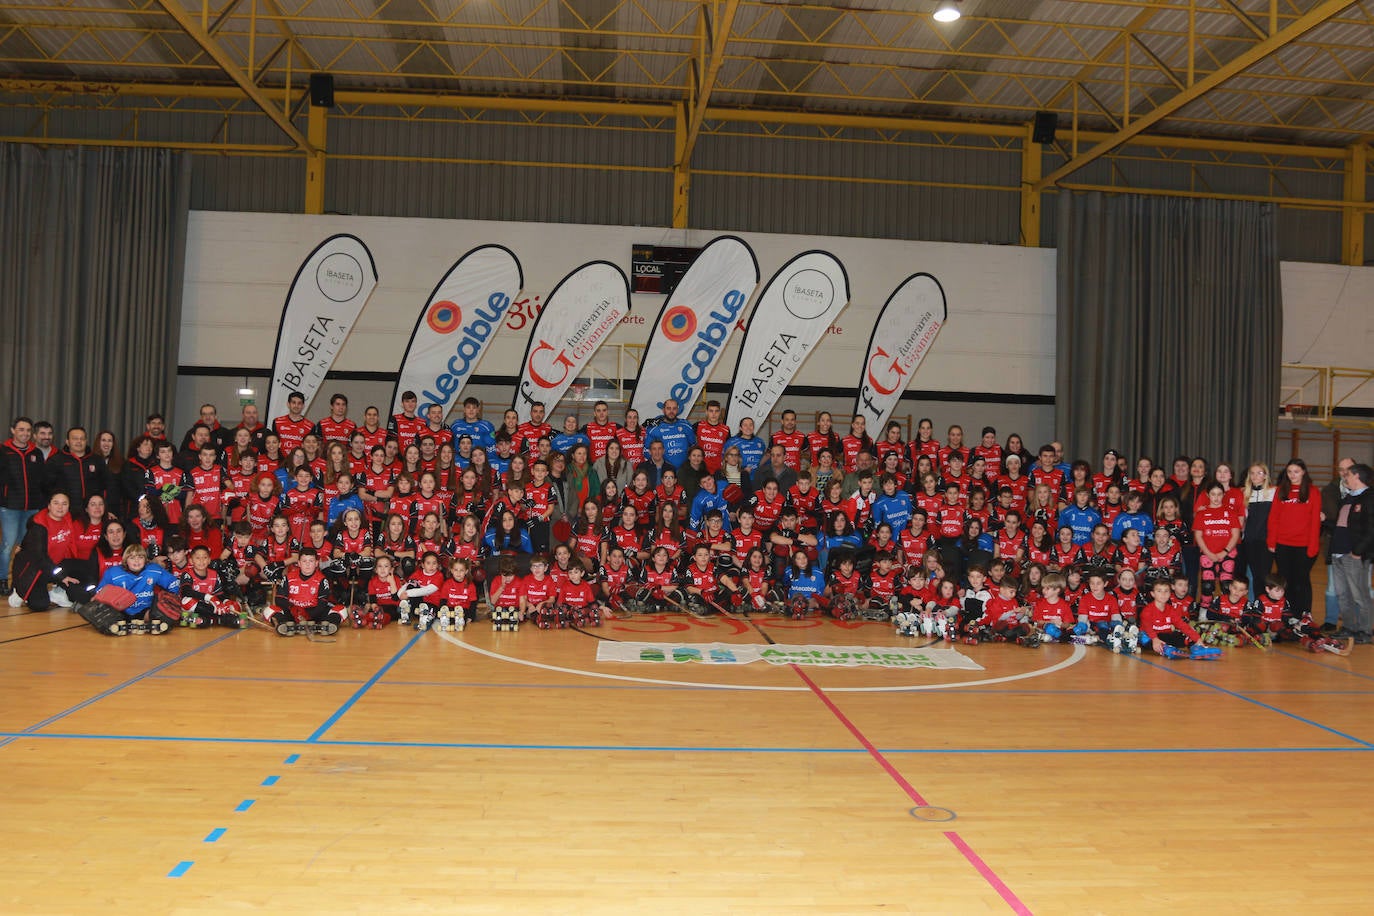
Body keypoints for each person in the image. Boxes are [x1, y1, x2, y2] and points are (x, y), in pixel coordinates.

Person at [1267, 458, 1323, 622]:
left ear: (1304, 472)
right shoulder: (1281, 490)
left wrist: (1313, 546)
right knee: (1286, 580)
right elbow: (1274, 518)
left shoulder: (1313, 491)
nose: (1292, 475)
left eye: (1296, 471)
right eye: (1289, 472)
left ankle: (1304, 614)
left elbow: (1315, 522)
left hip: (1304, 545)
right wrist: (1272, 541)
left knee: (1302, 580)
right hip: (1283, 544)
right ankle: (1288, 615)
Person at [9, 491, 84, 610]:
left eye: (64, 504)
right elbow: (40, 559)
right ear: (49, 506)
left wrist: (107, 515)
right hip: (35, 569)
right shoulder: (39, 527)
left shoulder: (68, 517)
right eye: (56, 503)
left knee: (83, 568)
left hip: (55, 565)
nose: (60, 507)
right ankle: (19, 591)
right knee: (40, 605)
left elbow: (88, 511)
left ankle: (56, 592)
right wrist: (62, 577)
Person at [1329, 463, 1374, 645]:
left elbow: (1371, 529)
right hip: (1338, 553)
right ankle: (1349, 627)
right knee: (1342, 594)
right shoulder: (1348, 497)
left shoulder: (1369, 498)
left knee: (1359, 594)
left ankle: (1365, 630)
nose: (1344, 477)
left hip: (1354, 555)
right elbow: (1342, 524)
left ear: (1357, 476)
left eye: (1347, 474)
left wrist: (1358, 552)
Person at [1, 417, 45, 594]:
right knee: (7, 545)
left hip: (31, 508)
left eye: (28, 430)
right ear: (13, 430)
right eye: (21, 430)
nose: (25, 433)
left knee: (25, 546)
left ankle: (19, 581)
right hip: (9, 507)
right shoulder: (3, 451)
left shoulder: (37, 453)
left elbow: (41, 481)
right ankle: (3, 579)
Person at [643, 398, 695, 467]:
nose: (671, 411)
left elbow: (694, 447)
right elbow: (646, 451)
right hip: (663, 471)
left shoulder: (686, 426)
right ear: (663, 410)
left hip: (683, 471)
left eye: (674, 408)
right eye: (668, 408)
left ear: (678, 410)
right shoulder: (654, 428)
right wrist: (659, 465)